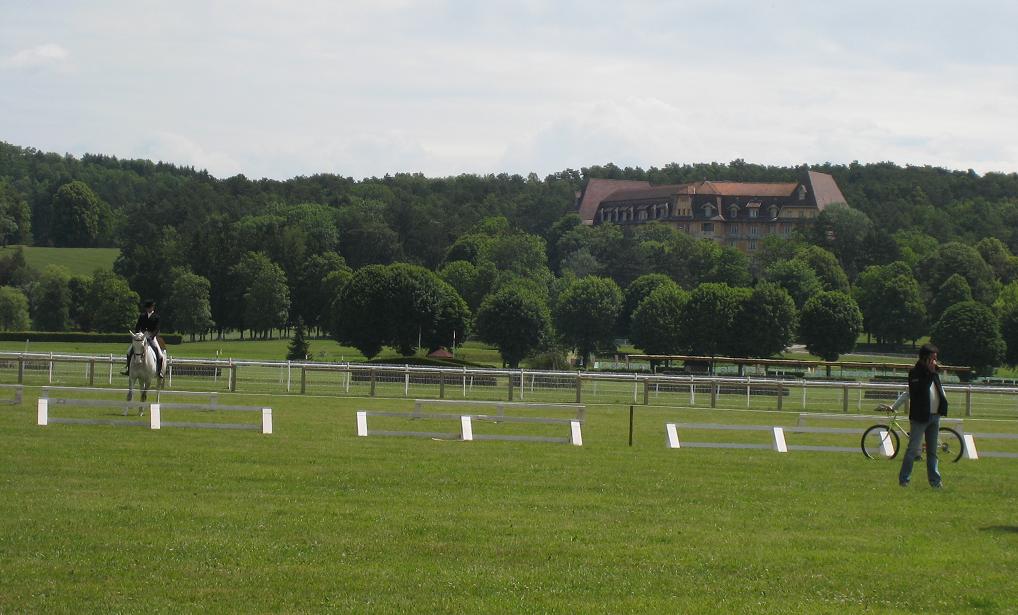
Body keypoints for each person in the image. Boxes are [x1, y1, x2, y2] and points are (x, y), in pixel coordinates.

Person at [884, 343, 949, 488]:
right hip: (920, 417)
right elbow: (918, 391)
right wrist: (931, 374)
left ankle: (935, 482)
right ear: (925, 358)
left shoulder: (934, 374)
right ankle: (904, 480)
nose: (935, 362)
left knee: (932, 452)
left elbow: (939, 391)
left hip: (934, 416)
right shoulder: (915, 373)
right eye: (933, 359)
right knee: (913, 450)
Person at [121, 300, 163, 378]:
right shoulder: (142, 316)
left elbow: (157, 329)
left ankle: (159, 371)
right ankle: (128, 369)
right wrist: (138, 334)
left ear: (152, 307)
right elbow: (137, 326)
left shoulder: (157, 317)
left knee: (160, 354)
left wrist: (152, 336)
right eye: (147, 308)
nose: (148, 309)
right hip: (141, 337)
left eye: (149, 307)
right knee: (129, 351)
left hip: (151, 337)